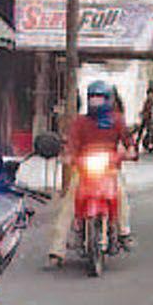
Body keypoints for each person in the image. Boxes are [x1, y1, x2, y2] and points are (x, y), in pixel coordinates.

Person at [47, 79, 137, 266]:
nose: (96, 102)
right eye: (93, 98)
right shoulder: (80, 122)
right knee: (68, 206)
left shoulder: (117, 120)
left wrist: (130, 151)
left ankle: (124, 232)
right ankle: (57, 251)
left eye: (100, 98)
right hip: (84, 170)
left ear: (109, 100)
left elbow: (128, 142)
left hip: (110, 169)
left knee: (121, 196)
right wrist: (68, 156)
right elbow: (72, 144)